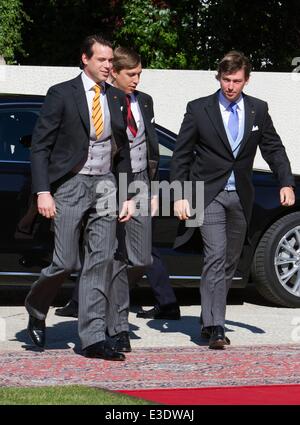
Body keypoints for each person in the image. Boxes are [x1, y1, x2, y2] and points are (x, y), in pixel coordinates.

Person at [170, 51, 295, 349]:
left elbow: (273, 149)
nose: (230, 86)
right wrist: (179, 194)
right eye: (226, 80)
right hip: (208, 194)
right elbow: (181, 155)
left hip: (241, 195)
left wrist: (286, 182)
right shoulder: (199, 109)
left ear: (246, 80)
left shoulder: (258, 110)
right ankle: (215, 326)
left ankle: (209, 313)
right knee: (215, 255)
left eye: (236, 81)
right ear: (219, 77)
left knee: (229, 260)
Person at [25, 34, 134, 361]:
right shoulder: (62, 94)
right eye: (102, 60)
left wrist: (127, 195)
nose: (108, 65)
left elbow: (124, 152)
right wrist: (43, 190)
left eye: (110, 60)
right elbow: (40, 146)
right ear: (84, 59)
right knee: (65, 262)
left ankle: (92, 337)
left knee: (100, 261)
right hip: (70, 184)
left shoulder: (117, 97)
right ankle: (36, 307)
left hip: (105, 185)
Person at [55, 48, 181, 324]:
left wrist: (153, 188)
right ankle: (117, 323)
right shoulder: (106, 100)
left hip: (141, 182)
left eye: (139, 74)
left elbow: (150, 147)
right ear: (115, 73)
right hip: (109, 182)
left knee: (141, 257)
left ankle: (106, 304)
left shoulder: (144, 101)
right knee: (107, 252)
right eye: (131, 74)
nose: (137, 80)